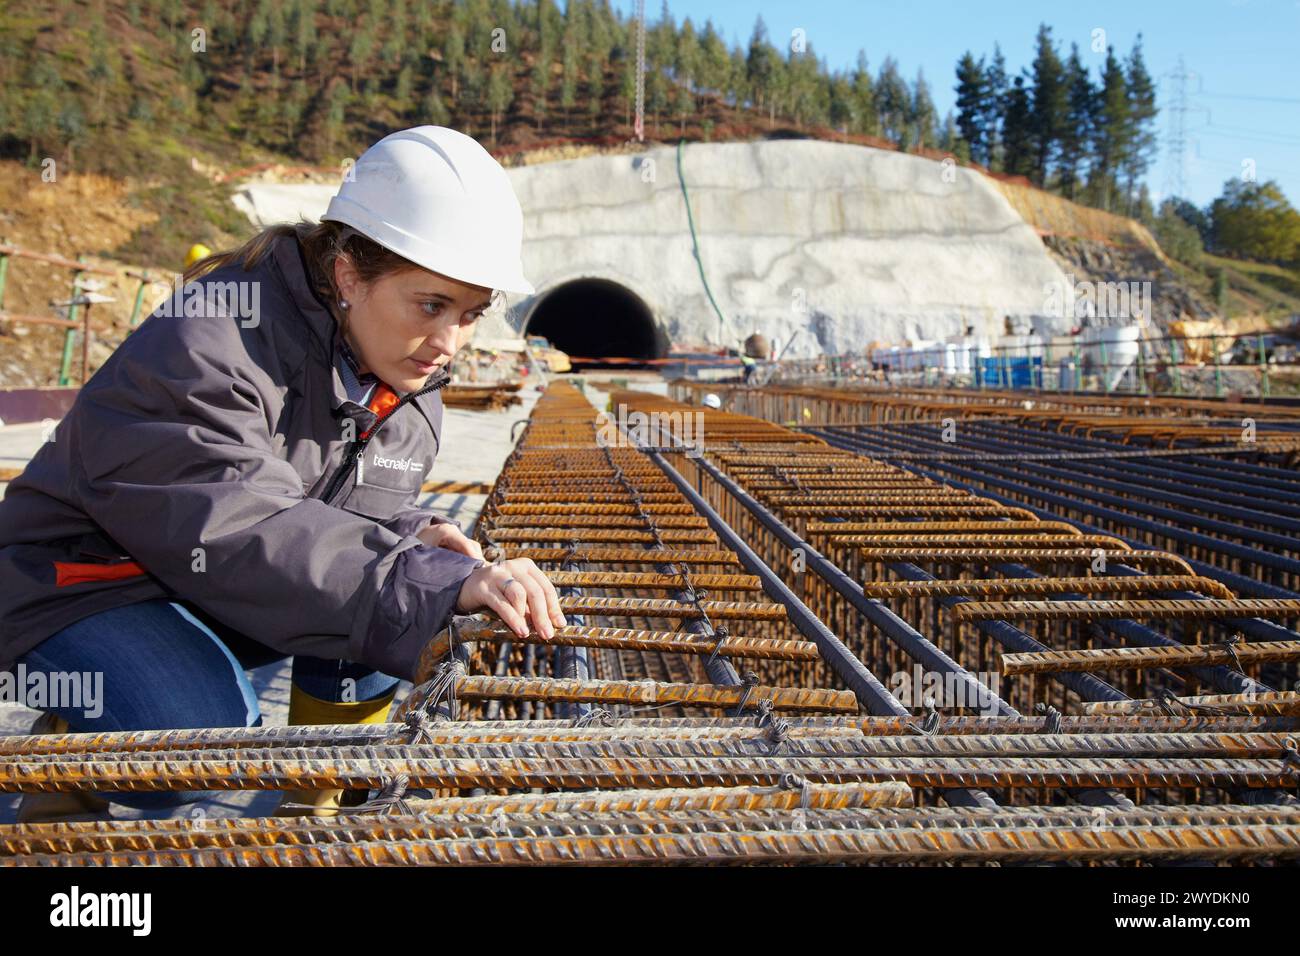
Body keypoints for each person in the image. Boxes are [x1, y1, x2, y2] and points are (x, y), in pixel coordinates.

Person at [0, 126, 565, 820]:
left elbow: (345, 520)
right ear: (350, 274)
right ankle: (63, 762)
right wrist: (414, 573)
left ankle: (314, 806)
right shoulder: (212, 337)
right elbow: (236, 519)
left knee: (405, 587)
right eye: (431, 306)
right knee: (195, 742)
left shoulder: (405, 378)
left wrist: (421, 536)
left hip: (211, 585)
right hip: (77, 588)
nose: (449, 344)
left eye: (471, 314)